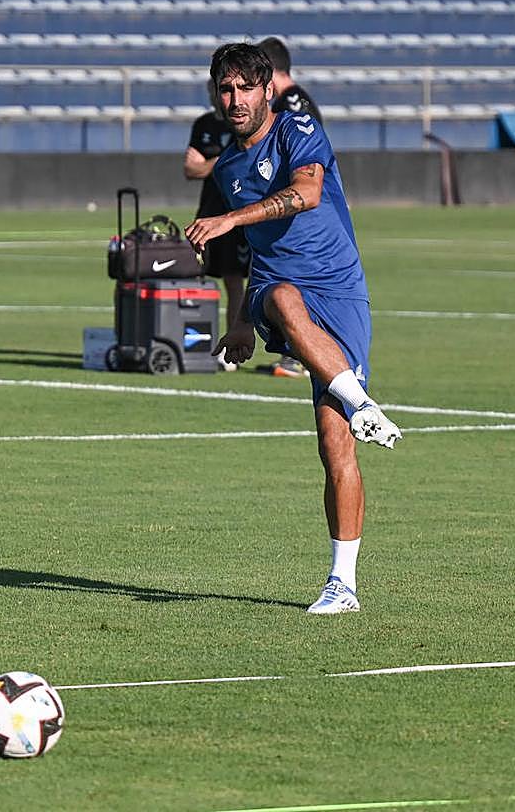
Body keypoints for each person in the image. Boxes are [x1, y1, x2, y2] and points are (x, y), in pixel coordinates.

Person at [185, 43, 402, 615]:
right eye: (225, 89)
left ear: (266, 90)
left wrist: (230, 218)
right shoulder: (228, 169)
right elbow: (260, 255)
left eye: (244, 88)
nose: (234, 100)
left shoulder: (298, 129)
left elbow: (307, 193)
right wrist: (240, 322)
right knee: (280, 295)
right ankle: (362, 403)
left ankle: (343, 585)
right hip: (280, 292)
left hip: (339, 290)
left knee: (335, 444)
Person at [257, 36, 322, 380]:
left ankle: (301, 355)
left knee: (295, 282)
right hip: (296, 207)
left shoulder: (292, 105)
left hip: (301, 211)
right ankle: (297, 352)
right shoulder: (293, 100)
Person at [184, 80, 251, 368]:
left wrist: (209, 163)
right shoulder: (203, 124)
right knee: (195, 275)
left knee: (237, 281)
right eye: (216, 90)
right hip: (207, 212)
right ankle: (193, 342)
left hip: (236, 215)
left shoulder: (242, 124)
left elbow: (244, 161)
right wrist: (224, 158)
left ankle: (233, 350)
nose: (218, 96)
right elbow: (190, 169)